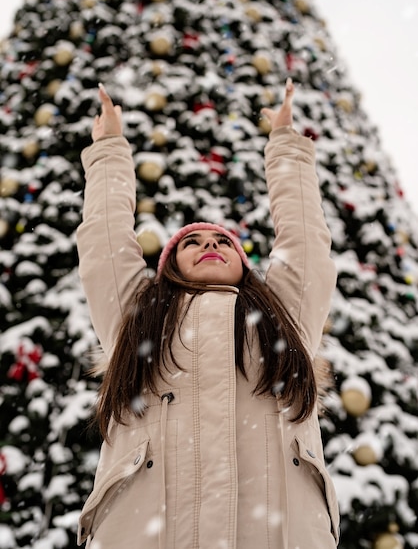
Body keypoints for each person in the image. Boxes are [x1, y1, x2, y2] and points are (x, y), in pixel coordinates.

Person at [76, 79, 340, 549]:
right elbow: (104, 241)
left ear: (243, 263)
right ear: (169, 266)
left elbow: (305, 239)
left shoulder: (285, 315)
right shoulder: (136, 314)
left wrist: (286, 145)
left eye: (222, 242)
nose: (210, 245)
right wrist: (108, 150)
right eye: (192, 242)